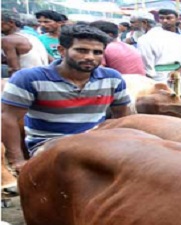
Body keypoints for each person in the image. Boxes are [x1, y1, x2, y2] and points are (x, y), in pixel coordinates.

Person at [1, 24, 131, 173]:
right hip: (49, 145)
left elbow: (122, 115)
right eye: (82, 50)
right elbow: (8, 118)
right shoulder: (29, 78)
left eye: (97, 52)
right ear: (62, 51)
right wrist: (17, 160)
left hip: (97, 143)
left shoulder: (112, 77)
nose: (90, 57)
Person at [135, 10, 181, 93]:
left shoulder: (179, 38)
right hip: (166, 80)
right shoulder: (146, 39)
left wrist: (179, 71)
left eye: (169, 18)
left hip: (164, 81)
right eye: (162, 18)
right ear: (158, 20)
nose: (165, 20)